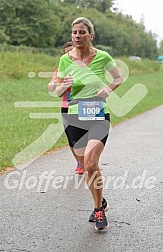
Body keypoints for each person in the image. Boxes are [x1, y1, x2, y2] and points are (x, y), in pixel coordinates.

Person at [56, 17, 123, 231]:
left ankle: (98, 209)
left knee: (91, 163)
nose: (77, 36)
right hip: (74, 115)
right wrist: (63, 85)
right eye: (74, 32)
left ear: (91, 36)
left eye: (82, 32)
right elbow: (58, 92)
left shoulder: (102, 57)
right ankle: (101, 201)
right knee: (86, 167)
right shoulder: (65, 60)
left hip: (97, 115)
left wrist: (108, 89)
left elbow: (118, 78)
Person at [47, 41, 83, 175]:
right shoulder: (60, 69)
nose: (69, 55)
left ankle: (87, 160)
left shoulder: (84, 67)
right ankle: (80, 162)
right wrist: (56, 83)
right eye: (66, 52)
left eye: (71, 52)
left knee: (83, 136)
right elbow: (51, 86)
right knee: (71, 138)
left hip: (82, 106)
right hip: (66, 107)